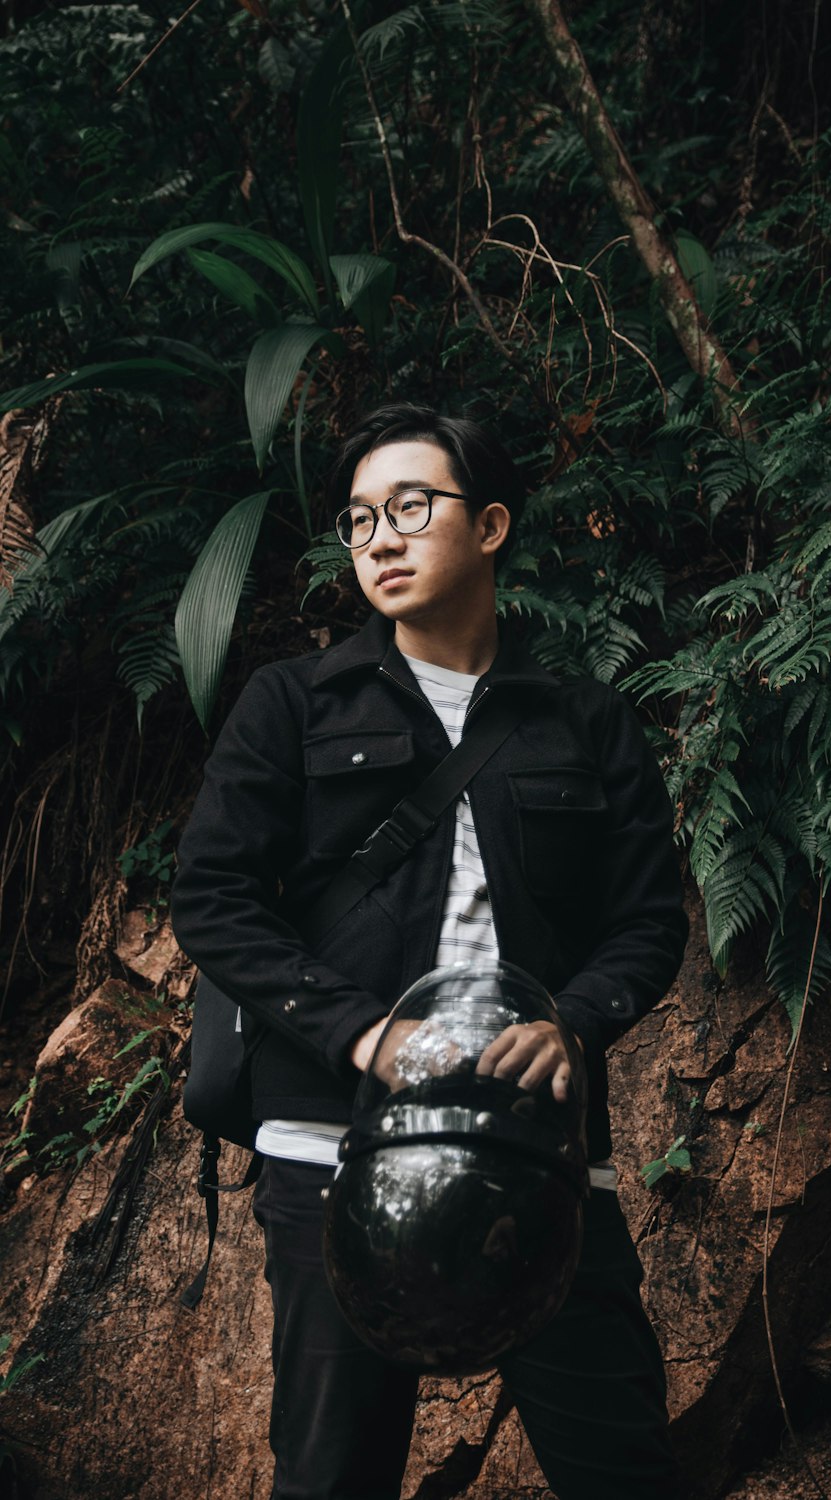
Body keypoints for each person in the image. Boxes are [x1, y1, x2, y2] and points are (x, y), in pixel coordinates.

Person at [171, 402, 689, 1500]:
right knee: (333, 1474)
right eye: (359, 522)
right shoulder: (292, 704)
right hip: (329, 1147)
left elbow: (647, 921)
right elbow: (213, 899)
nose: (383, 540)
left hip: (539, 1146)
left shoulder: (585, 720)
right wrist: (360, 1032)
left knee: (625, 1463)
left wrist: (574, 1025)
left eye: (411, 507)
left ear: (490, 523)